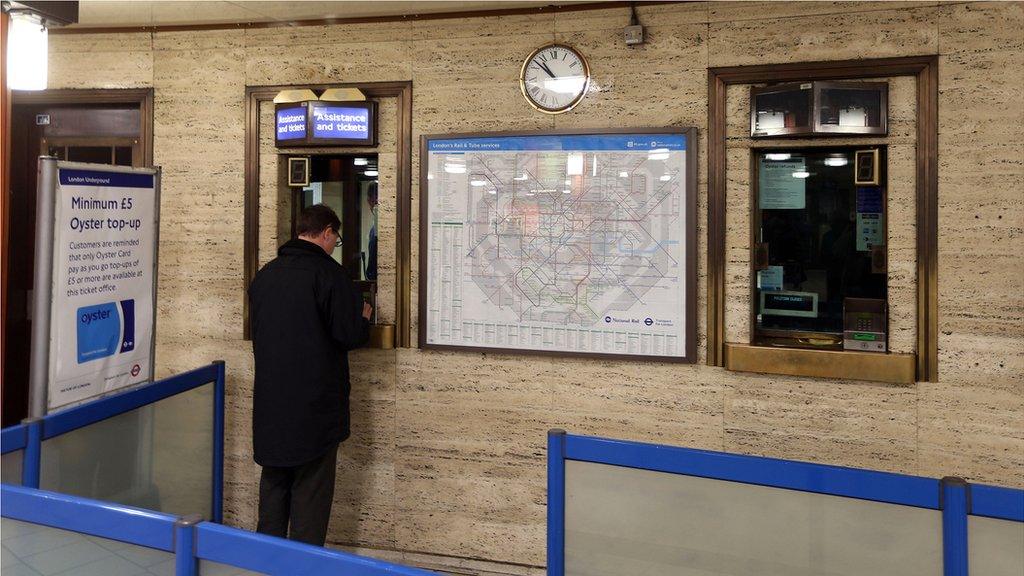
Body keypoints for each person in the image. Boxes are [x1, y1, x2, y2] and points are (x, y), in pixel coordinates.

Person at [248, 204, 372, 546]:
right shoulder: (330, 276)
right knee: (310, 504)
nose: (336, 245)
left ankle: (265, 566)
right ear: (327, 232)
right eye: (337, 238)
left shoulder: (266, 275)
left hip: (271, 410)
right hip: (314, 414)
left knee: (273, 495)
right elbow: (348, 335)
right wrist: (363, 319)